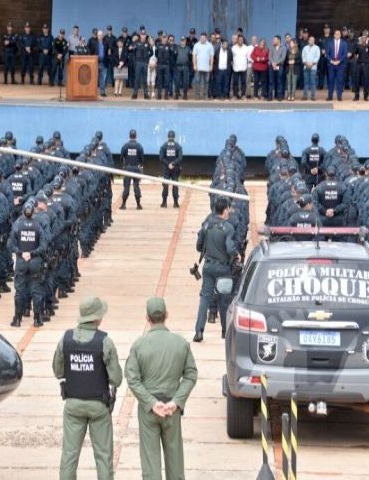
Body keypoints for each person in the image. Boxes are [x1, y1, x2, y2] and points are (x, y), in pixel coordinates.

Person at [124, 297, 198, 480]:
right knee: (175, 463)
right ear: (167, 315)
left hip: (149, 409)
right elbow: (191, 374)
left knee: (150, 466)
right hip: (172, 408)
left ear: (147, 318)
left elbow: (132, 378)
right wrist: (176, 401)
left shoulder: (139, 345)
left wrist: (150, 402)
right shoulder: (180, 343)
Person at [52, 296, 122, 480]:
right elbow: (116, 378)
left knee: (69, 456)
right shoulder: (104, 341)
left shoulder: (66, 339)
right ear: (97, 318)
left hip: (73, 403)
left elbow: (58, 371)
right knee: (103, 457)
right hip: (99, 405)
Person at [193, 197, 240, 341]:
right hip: (223, 269)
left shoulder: (207, 224)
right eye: (229, 209)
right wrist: (236, 255)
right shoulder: (228, 228)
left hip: (208, 267)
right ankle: (225, 331)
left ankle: (199, 331)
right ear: (225, 210)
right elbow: (229, 248)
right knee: (224, 300)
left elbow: (199, 246)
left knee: (204, 299)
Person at [8, 200, 48, 327]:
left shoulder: (17, 226)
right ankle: (37, 319)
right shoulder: (38, 226)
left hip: (21, 262)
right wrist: (32, 253)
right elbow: (43, 245)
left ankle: (17, 319)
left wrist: (21, 253)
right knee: (36, 290)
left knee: (20, 291)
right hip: (35, 261)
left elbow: (11, 244)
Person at [120, 129, 144, 210]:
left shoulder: (125, 146)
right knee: (136, 186)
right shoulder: (139, 146)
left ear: (129, 136)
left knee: (126, 187)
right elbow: (142, 158)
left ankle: (123, 204)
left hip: (128, 168)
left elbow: (121, 156)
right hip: (136, 168)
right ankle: (138, 205)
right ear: (136, 136)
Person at [159, 130, 183, 208]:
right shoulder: (178, 146)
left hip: (166, 169)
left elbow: (161, 158)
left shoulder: (164, 146)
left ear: (168, 137)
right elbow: (180, 158)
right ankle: (176, 203)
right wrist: (173, 164)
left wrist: (168, 164)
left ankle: (164, 202)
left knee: (165, 185)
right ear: (174, 137)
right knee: (175, 185)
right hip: (175, 169)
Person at [326, 29, 348, 101]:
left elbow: (344, 54)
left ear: (340, 35)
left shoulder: (344, 43)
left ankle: (339, 96)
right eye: (336, 34)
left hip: (340, 65)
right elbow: (327, 54)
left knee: (340, 80)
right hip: (331, 65)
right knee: (331, 80)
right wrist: (331, 61)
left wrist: (339, 61)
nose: (337, 35)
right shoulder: (330, 43)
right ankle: (330, 96)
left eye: (338, 34)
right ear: (334, 35)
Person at [192, 32, 214, 100]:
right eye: (201, 37)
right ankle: (197, 96)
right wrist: (194, 65)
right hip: (198, 67)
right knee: (197, 81)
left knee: (206, 82)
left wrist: (211, 65)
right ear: (200, 38)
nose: (203, 39)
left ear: (206, 38)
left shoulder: (210, 45)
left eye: (204, 38)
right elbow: (194, 56)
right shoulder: (196, 45)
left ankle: (205, 95)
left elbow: (211, 56)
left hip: (207, 67)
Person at [354, 31, 369, 101]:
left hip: (366, 65)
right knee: (357, 80)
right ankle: (356, 95)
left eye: (365, 38)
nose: (363, 39)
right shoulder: (358, 46)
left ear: (366, 38)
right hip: (359, 64)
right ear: (361, 38)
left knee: (366, 81)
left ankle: (366, 95)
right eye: (362, 38)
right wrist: (356, 58)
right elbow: (355, 54)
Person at [132, 29, 150, 100]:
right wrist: (135, 62)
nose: (143, 36)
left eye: (144, 34)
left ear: (145, 35)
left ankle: (146, 94)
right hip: (138, 62)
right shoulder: (136, 42)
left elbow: (151, 53)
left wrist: (148, 62)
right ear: (140, 35)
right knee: (137, 79)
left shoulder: (148, 43)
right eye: (142, 34)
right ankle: (135, 94)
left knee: (145, 80)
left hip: (145, 63)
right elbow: (133, 52)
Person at [90, 30, 109, 96]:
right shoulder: (94, 43)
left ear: (102, 36)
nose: (100, 36)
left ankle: (102, 92)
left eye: (101, 35)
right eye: (99, 35)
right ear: (97, 36)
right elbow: (91, 52)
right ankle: (93, 91)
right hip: (96, 63)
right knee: (94, 78)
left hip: (104, 63)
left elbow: (108, 52)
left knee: (103, 78)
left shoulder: (106, 43)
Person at [302, 35, 320, 101]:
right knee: (306, 82)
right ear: (308, 40)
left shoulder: (317, 48)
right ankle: (305, 96)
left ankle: (313, 96)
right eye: (310, 40)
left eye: (312, 40)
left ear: (314, 41)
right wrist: (306, 63)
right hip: (305, 67)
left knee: (313, 82)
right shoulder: (305, 48)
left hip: (313, 68)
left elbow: (317, 57)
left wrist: (312, 63)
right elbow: (303, 57)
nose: (311, 41)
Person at [268, 35, 287, 101]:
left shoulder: (283, 48)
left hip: (280, 66)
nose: (273, 41)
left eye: (274, 39)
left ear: (278, 40)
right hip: (271, 66)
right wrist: (273, 63)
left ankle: (279, 96)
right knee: (271, 81)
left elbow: (283, 58)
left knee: (279, 81)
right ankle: (270, 96)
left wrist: (276, 63)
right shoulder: (271, 47)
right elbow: (269, 56)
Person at [231, 34, 248, 99]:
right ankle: (235, 95)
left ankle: (243, 95)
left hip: (244, 68)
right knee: (235, 82)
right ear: (237, 40)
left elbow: (248, 58)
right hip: (236, 68)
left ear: (243, 40)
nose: (240, 41)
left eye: (242, 40)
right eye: (239, 39)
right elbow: (231, 57)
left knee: (243, 82)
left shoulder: (246, 48)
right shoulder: (233, 48)